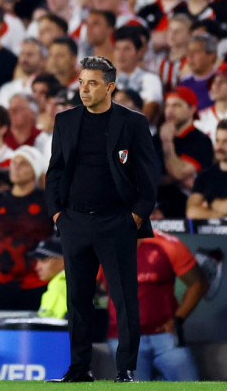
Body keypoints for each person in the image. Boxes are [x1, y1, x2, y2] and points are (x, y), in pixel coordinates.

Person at [45, 56, 158, 383]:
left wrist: (135, 217)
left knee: (123, 299)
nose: (84, 89)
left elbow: (148, 176)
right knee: (77, 300)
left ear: (110, 87)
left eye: (92, 83)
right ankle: (79, 369)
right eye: (81, 82)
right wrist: (58, 215)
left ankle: (125, 369)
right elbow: (55, 172)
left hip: (117, 222)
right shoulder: (65, 121)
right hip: (74, 223)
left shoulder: (133, 123)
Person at [105, 230, 206, 381]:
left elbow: (198, 284)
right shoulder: (104, 246)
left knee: (189, 385)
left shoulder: (168, 244)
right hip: (124, 339)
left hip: (166, 336)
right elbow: (85, 287)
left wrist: (177, 320)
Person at [0, 145, 53, 310]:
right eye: (13, 163)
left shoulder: (47, 200)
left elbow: (63, 235)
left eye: (23, 164)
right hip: (4, 280)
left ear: (34, 170)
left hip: (37, 280)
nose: (15, 167)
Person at [155, 86, 214, 218]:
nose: (170, 110)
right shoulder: (155, 138)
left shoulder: (201, 141)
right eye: (168, 105)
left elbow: (178, 173)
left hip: (185, 210)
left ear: (192, 109)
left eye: (176, 105)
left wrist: (167, 143)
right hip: (155, 206)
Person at [30, 237, 67, 319]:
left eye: (43, 261)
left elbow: (46, 326)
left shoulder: (60, 286)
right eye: (37, 261)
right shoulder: (77, 282)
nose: (37, 267)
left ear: (63, 261)